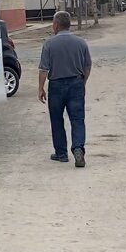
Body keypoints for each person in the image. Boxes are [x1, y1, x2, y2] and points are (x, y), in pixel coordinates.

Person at [38, 11, 92, 168]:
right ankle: (78, 148)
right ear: (69, 24)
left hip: (56, 86)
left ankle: (61, 154)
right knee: (77, 119)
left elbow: (43, 69)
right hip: (76, 83)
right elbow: (87, 66)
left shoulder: (49, 44)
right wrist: (82, 82)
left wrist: (41, 88)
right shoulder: (81, 43)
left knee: (56, 119)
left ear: (56, 25)